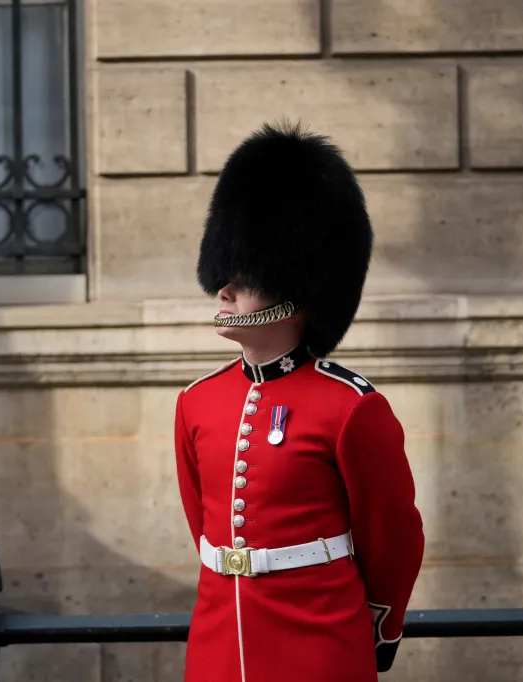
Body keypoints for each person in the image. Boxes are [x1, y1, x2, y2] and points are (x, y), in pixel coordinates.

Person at [173, 122, 425, 682]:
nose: (224, 291)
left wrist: (379, 628)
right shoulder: (197, 404)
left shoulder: (350, 408)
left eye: (245, 278)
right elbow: (205, 528)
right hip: (218, 642)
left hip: (319, 644)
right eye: (225, 275)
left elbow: (391, 537)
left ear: (295, 290)